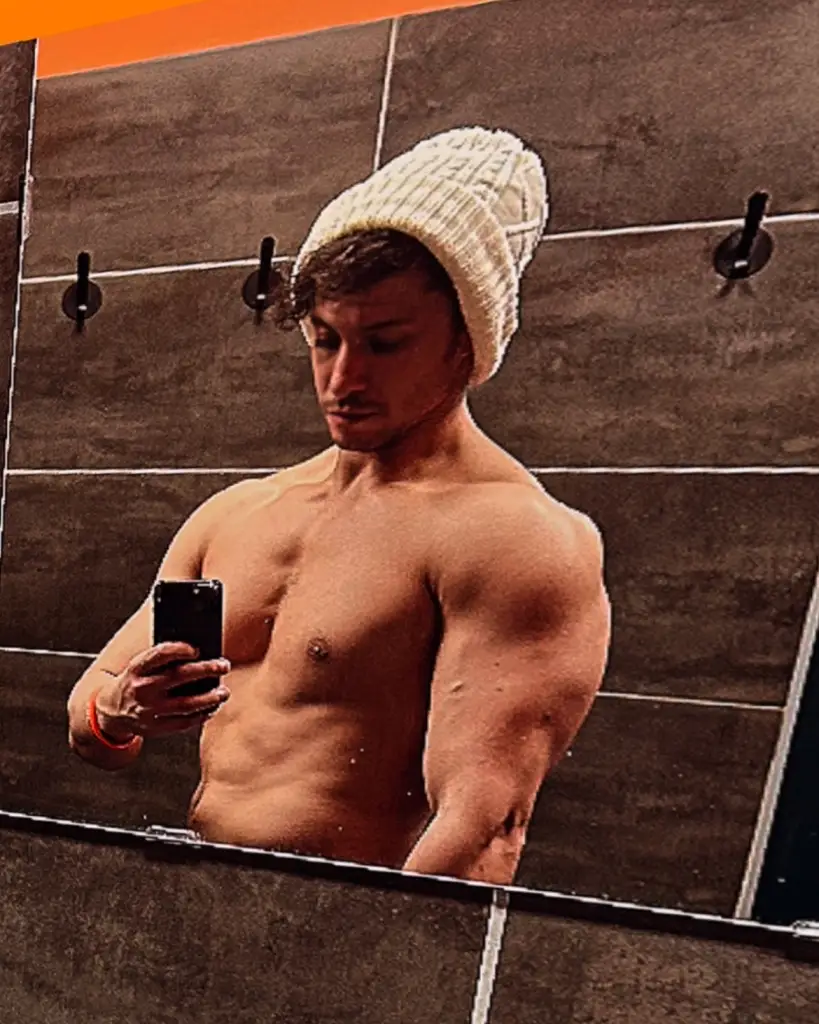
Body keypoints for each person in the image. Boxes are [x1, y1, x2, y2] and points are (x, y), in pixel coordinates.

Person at [66, 126, 611, 885]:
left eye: (384, 344)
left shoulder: (511, 536)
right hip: (196, 901)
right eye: (325, 340)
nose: (343, 379)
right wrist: (123, 711)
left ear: (467, 342)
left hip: (338, 928)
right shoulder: (239, 513)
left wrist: (358, 950)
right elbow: (89, 720)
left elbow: (482, 830)